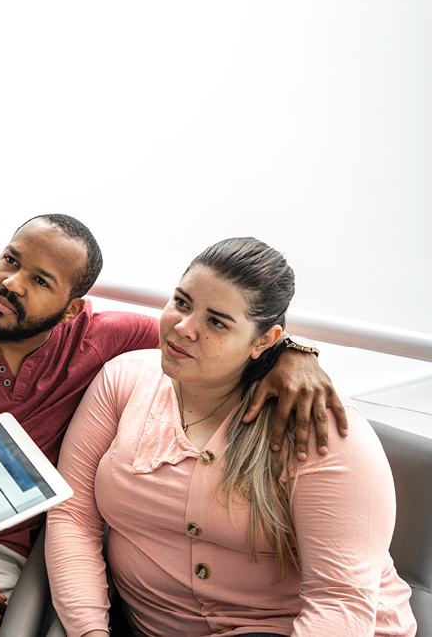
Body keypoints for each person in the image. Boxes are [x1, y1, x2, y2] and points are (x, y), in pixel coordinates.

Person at [0, 217, 347, 637]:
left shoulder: (106, 340)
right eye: (10, 260)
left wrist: (293, 355)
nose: (12, 284)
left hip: (4, 555)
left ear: (73, 309)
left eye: (40, 280)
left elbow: (206, 336)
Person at [46, 237, 416, 637]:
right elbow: (72, 516)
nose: (183, 328)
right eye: (182, 302)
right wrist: (89, 631)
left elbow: (340, 601)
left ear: (265, 340)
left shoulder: (317, 424)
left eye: (217, 322)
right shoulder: (122, 379)